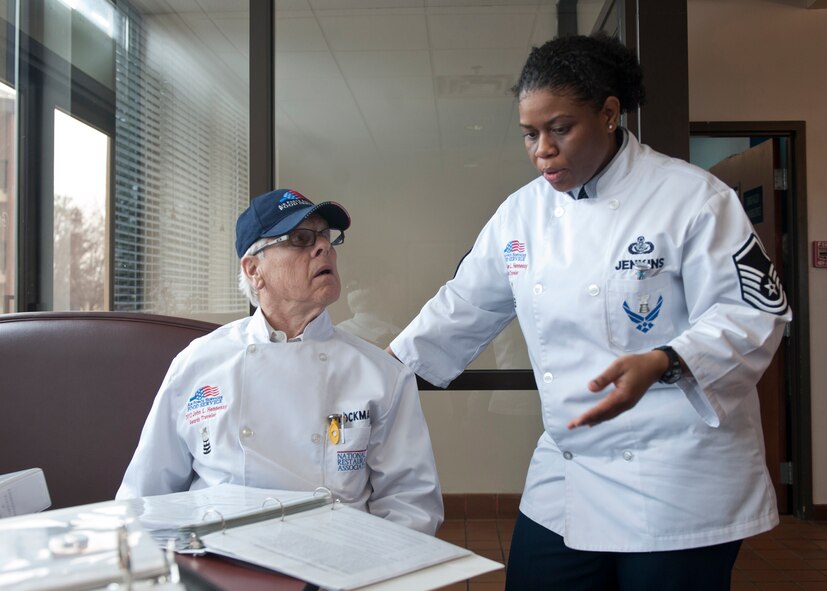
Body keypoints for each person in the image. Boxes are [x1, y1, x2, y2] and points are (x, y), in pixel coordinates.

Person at [388, 33, 791, 589]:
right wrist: (382, 371)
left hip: (677, 473)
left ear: (608, 113)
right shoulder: (521, 215)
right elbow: (462, 305)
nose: (542, 151)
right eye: (530, 134)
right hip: (569, 467)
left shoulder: (693, 198)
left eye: (560, 128)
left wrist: (664, 361)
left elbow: (753, 314)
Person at [117, 188, 443, 536]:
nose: (324, 248)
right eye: (302, 238)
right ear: (254, 269)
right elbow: (145, 498)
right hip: (222, 564)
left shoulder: (383, 376)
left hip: (338, 570)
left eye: (327, 237)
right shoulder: (197, 365)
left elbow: (411, 504)